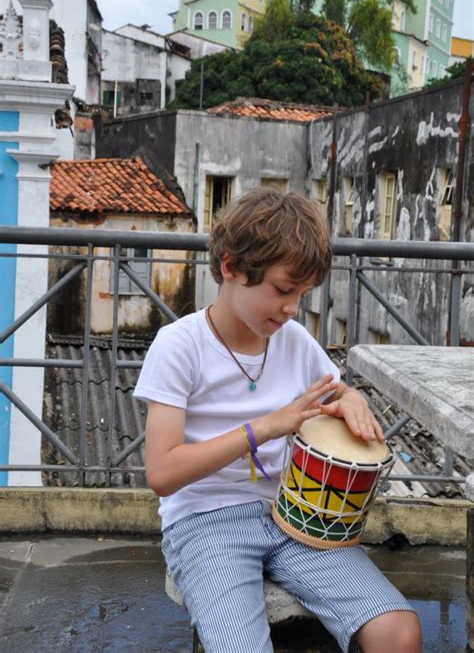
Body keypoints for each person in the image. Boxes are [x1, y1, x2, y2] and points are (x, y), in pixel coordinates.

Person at [134, 189, 422, 653]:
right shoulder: (178, 346)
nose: (291, 307)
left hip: (295, 516)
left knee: (398, 630)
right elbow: (162, 473)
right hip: (205, 523)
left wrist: (353, 400)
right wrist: (265, 427)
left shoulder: (294, 339)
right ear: (231, 268)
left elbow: (334, 390)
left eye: (302, 294)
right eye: (284, 290)